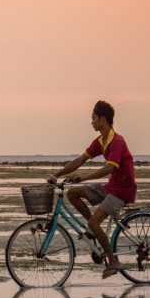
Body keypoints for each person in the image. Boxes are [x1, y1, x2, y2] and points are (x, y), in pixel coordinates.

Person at [48, 100, 136, 278]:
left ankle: (113, 261)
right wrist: (57, 174)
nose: (91, 122)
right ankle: (93, 231)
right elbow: (80, 160)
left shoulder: (117, 141)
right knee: (73, 193)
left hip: (122, 191)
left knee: (94, 222)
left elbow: (108, 168)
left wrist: (83, 177)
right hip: (110, 187)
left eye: (93, 118)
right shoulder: (101, 141)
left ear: (102, 119)